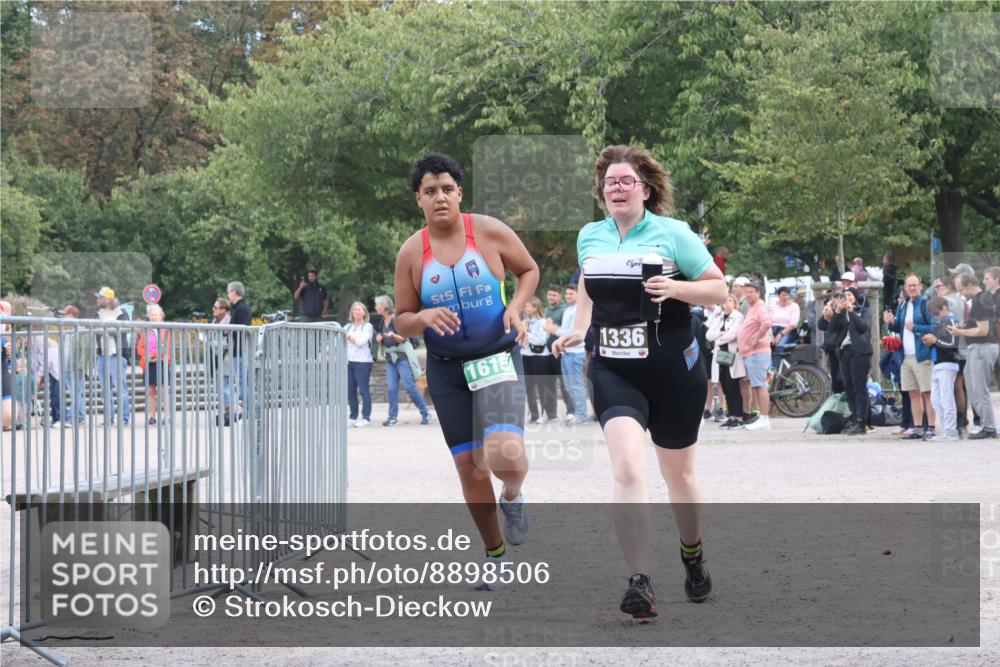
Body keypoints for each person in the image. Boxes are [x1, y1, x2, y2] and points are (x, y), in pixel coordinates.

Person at [552, 144, 726, 619]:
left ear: (646, 190)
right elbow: (589, 282)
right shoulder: (591, 236)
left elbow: (718, 288)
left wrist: (676, 288)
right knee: (628, 470)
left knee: (679, 475)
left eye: (627, 181)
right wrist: (581, 326)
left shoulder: (674, 234)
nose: (617, 188)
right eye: (610, 182)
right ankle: (640, 581)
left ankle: (692, 555)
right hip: (614, 367)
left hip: (673, 368)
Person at [393, 153, 539, 585]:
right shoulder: (411, 253)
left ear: (460, 193)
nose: (440, 198)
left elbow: (528, 270)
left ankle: (513, 495)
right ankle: (495, 554)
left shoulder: (489, 232)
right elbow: (402, 317)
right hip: (448, 369)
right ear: (418, 199)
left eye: (447, 189)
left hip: (495, 355)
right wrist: (421, 318)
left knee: (504, 454)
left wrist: (515, 307)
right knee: (470, 468)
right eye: (430, 192)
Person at [884, 274, 936, 440]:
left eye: (915, 285)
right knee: (913, 394)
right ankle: (918, 428)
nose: (912, 288)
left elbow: (934, 326)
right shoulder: (903, 305)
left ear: (920, 286)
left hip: (922, 355)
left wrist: (915, 327)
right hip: (905, 356)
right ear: (905, 287)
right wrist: (892, 322)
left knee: (927, 394)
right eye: (909, 285)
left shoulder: (926, 304)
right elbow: (899, 326)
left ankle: (932, 428)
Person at [948, 273, 997, 439]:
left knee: (979, 389)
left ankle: (989, 427)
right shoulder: (980, 300)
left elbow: (982, 330)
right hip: (977, 348)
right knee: (972, 387)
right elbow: (978, 326)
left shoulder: (980, 301)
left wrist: (959, 331)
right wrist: (965, 325)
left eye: (961, 289)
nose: (961, 293)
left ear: (969, 285)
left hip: (982, 348)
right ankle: (986, 424)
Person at [374, 295, 432, 426]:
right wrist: (380, 338)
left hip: (402, 358)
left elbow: (404, 338)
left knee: (409, 386)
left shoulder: (396, 320)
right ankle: (392, 416)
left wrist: (393, 335)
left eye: (378, 305)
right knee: (391, 388)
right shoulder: (383, 321)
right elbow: (384, 339)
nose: (376, 307)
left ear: (385, 306)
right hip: (390, 359)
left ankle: (425, 413)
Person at [828, 289, 872, 435]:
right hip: (845, 353)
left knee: (859, 387)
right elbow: (833, 329)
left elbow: (863, 327)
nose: (846, 297)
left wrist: (851, 311)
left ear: (856, 298)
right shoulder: (841, 314)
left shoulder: (863, 311)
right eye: (844, 295)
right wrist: (837, 312)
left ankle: (862, 422)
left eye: (849, 295)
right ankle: (854, 418)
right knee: (849, 388)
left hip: (860, 351)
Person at [922, 297, 961, 441]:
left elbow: (952, 343)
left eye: (937, 313)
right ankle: (947, 429)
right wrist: (930, 342)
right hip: (937, 363)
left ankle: (951, 431)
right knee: (935, 400)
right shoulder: (941, 323)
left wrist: (935, 341)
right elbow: (940, 343)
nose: (935, 317)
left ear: (945, 308)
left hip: (948, 363)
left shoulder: (951, 321)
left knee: (946, 398)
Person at [736, 280, 773, 430]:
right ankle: (762, 418)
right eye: (747, 292)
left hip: (757, 352)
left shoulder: (760, 307)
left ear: (758, 293)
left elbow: (766, 323)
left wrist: (756, 337)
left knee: (760, 385)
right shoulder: (753, 308)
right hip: (751, 353)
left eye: (751, 292)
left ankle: (765, 419)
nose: (748, 294)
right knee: (756, 386)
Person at [706, 294, 745, 429]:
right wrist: (720, 335)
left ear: (735, 303)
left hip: (732, 355)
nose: (726, 304)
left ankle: (739, 417)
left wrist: (719, 337)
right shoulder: (720, 317)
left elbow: (733, 335)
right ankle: (731, 416)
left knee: (733, 386)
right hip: (720, 355)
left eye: (730, 301)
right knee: (726, 387)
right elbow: (708, 335)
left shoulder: (738, 317)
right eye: (724, 301)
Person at [94, 286, 132, 426]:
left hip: (117, 353)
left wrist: (107, 329)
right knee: (105, 390)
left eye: (101, 297)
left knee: (120, 388)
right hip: (102, 354)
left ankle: (124, 418)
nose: (98, 300)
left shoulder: (120, 312)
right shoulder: (99, 313)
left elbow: (125, 330)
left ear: (109, 298)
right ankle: (108, 418)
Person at [520, 296, 557, 424]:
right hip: (526, 355)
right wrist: (521, 332)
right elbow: (519, 340)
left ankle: (546, 413)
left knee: (542, 386)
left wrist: (525, 333)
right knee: (529, 386)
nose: (525, 308)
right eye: (525, 306)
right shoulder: (525, 321)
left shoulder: (542, 322)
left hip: (540, 357)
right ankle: (533, 413)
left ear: (535, 308)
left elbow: (541, 340)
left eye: (528, 306)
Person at [557, 283, 589, 426]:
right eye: (567, 293)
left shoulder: (578, 311)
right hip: (566, 352)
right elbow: (565, 331)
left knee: (576, 385)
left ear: (578, 294)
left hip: (576, 353)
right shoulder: (568, 310)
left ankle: (581, 415)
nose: (568, 296)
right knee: (569, 385)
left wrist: (554, 330)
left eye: (571, 294)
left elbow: (572, 333)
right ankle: (577, 413)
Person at [136, 304, 171, 426]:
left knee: (163, 390)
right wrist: (147, 356)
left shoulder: (166, 329)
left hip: (161, 361)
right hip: (148, 363)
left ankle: (167, 416)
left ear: (161, 316)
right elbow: (139, 347)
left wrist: (154, 355)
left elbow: (167, 346)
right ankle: (152, 417)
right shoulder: (145, 330)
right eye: (152, 315)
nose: (154, 317)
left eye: (156, 315)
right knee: (151, 391)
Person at [57, 305, 90, 424]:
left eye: (65, 314)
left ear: (71, 315)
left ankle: (72, 417)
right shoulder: (67, 331)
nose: (63, 317)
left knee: (76, 393)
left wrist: (80, 368)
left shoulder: (81, 331)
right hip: (67, 367)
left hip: (75, 367)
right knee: (75, 393)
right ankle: (80, 416)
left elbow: (85, 350)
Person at [542, 284, 572, 415]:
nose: (551, 297)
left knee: (564, 383)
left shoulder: (565, 309)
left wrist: (552, 326)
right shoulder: (546, 310)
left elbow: (565, 330)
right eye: (549, 295)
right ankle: (550, 413)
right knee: (548, 383)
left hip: (561, 352)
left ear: (560, 296)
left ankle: (571, 411)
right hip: (546, 352)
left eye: (554, 295)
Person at [345, 301, 374, 427]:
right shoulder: (347, 327)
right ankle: (353, 416)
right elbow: (336, 341)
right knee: (350, 391)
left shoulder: (367, 326)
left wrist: (346, 336)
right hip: (349, 362)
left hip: (363, 362)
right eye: (355, 309)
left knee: (363, 390)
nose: (357, 311)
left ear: (364, 312)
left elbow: (360, 342)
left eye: (359, 309)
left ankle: (366, 417)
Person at [226, 281, 252, 416]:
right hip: (238, 349)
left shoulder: (241, 308)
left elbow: (240, 328)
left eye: (229, 292)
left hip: (239, 349)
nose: (228, 295)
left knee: (242, 381)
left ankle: (250, 410)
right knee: (241, 381)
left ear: (234, 292)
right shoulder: (238, 308)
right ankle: (249, 410)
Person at [769, 286, 800, 368]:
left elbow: (793, 324)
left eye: (787, 295)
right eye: (783, 295)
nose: (785, 297)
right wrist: (771, 335)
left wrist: (780, 334)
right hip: (773, 330)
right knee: (766, 346)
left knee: (779, 346)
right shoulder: (772, 306)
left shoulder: (794, 306)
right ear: (778, 296)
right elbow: (768, 322)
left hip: (787, 331)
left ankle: (774, 370)